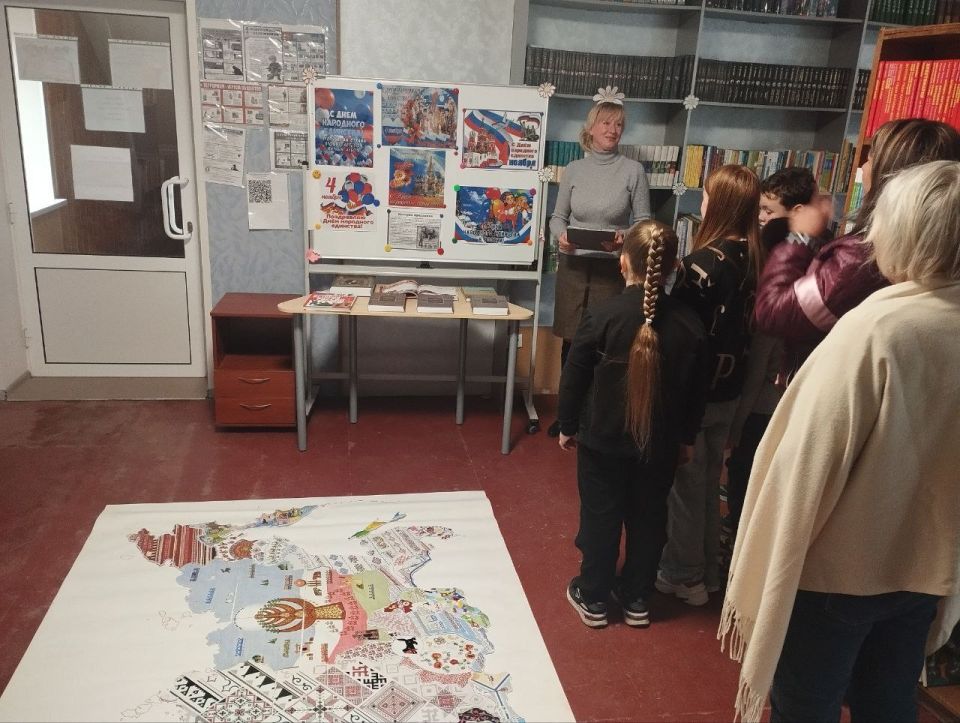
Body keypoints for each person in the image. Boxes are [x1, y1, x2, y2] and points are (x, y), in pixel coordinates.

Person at [720, 159, 960, 723]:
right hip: (925, 565)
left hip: (840, 572)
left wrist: (771, 566)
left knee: (807, 706)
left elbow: (808, 463)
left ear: (905, 233)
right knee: (889, 702)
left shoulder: (878, 331)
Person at [558, 219, 709, 629]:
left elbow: (574, 377)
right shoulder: (690, 324)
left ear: (623, 263)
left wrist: (567, 425)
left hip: (602, 441)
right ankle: (637, 598)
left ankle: (593, 597)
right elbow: (697, 392)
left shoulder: (601, 316)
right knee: (649, 519)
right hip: (661, 446)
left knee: (600, 516)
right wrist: (687, 438)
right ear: (674, 266)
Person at [755, 118, 960, 379]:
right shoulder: (933, 249)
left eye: (871, 158)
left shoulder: (862, 257)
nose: (862, 167)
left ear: (890, 174)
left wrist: (800, 237)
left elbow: (773, 312)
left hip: (827, 377)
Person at [656, 164, 764, 605]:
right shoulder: (755, 259)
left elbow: (681, 333)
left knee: (685, 487)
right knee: (704, 484)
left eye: (705, 195)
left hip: (695, 394)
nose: (700, 202)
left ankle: (683, 575)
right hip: (731, 388)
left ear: (718, 204)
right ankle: (707, 572)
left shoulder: (701, 264)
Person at [547, 97, 652, 437]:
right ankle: (567, 416)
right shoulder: (574, 169)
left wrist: (626, 237)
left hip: (612, 270)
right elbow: (557, 217)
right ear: (591, 128)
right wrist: (562, 237)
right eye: (606, 122)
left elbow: (644, 221)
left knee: (605, 345)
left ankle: (596, 417)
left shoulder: (633, 171)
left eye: (619, 124)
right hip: (574, 268)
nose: (613, 129)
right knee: (571, 344)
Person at [726, 166, 818, 536]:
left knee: (747, 467)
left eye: (768, 210)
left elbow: (765, 351)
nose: (761, 217)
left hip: (768, 396)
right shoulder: (810, 251)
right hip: (780, 389)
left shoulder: (783, 266)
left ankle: (737, 536)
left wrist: (736, 423)